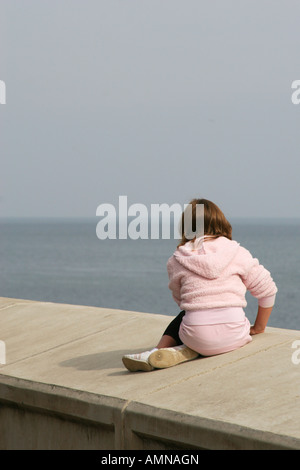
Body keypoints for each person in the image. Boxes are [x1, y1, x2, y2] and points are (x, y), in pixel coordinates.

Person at [122, 198, 278, 372]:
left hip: (195, 335)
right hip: (235, 335)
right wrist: (258, 327)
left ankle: (162, 350)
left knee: (185, 316)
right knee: (215, 316)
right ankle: (190, 348)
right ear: (221, 222)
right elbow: (268, 291)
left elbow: (181, 298)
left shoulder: (177, 259)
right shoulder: (237, 252)